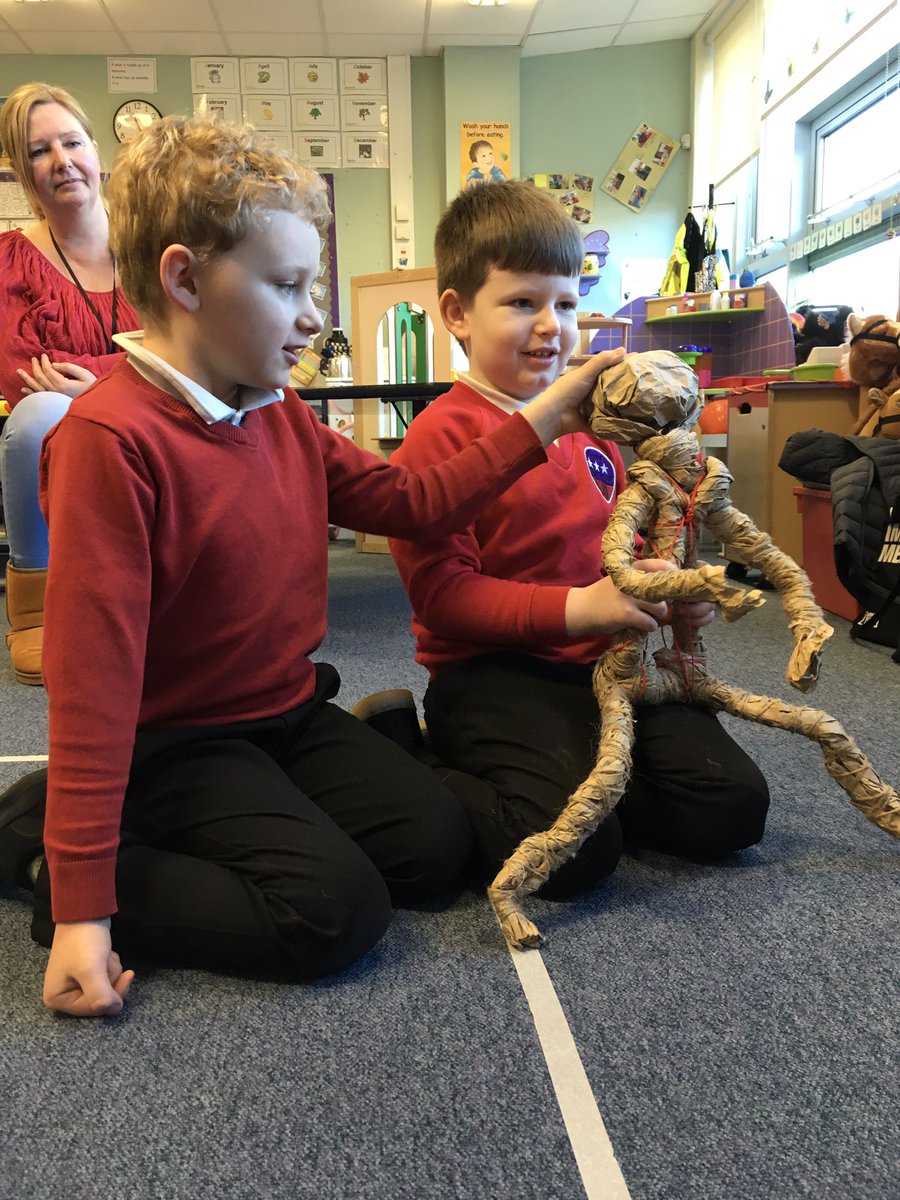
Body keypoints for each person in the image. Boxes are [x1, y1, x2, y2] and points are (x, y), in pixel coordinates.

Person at [0, 117, 621, 1018]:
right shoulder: (110, 443)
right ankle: (44, 850)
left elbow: (414, 504)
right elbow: (91, 684)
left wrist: (543, 419)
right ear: (183, 280)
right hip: (176, 744)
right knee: (331, 913)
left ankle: (108, 825)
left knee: (433, 847)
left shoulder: (276, 409)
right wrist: (87, 913)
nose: (314, 314)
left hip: (285, 713)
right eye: (287, 284)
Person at [382, 180, 770, 899]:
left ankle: (588, 783)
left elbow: (616, 547)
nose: (551, 326)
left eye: (564, 304)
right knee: (573, 856)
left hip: (604, 668)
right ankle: (410, 754)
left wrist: (666, 588)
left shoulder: (597, 431)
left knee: (732, 808)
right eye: (522, 302)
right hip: (492, 674)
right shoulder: (442, 437)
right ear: (458, 314)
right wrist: (580, 610)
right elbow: (442, 599)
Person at [0, 83, 140, 685]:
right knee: (35, 419)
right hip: (62, 419)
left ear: (95, 152)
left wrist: (101, 379)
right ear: (22, 173)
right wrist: (131, 371)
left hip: (153, 413)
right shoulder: (9, 260)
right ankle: (33, 607)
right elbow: (27, 375)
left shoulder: (152, 244)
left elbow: (190, 350)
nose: (60, 161)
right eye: (38, 151)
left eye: (71, 142)